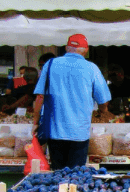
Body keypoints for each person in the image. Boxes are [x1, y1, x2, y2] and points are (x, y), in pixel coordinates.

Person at [33, 34, 113, 170]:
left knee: (58, 173)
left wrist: (35, 122)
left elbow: (40, 97)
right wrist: (103, 111)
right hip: (79, 133)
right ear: (86, 50)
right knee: (76, 175)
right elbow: (103, 101)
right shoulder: (91, 68)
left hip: (54, 131)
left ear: (66, 48)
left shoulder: (50, 65)